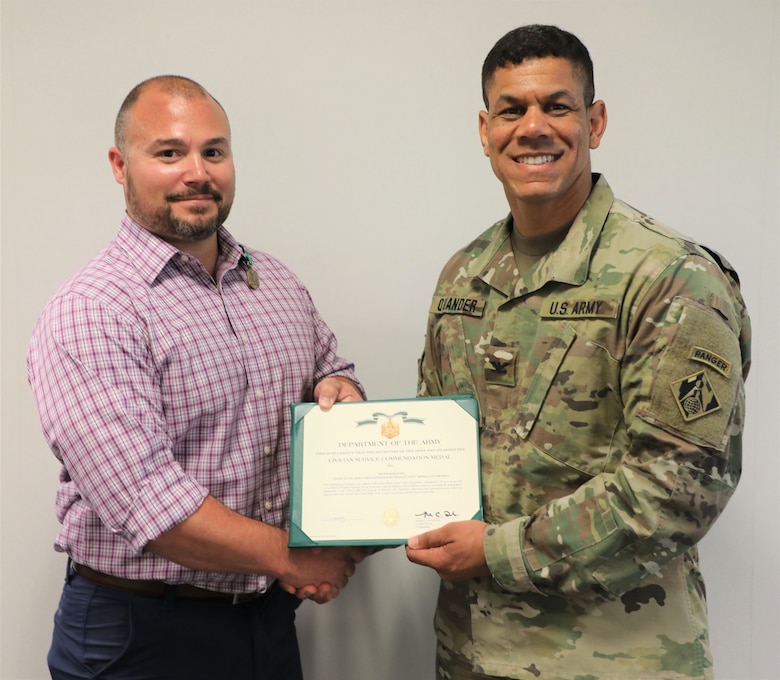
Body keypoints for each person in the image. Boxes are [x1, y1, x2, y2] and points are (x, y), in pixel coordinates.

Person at [405, 24, 750, 680]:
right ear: (485, 131)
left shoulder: (669, 277)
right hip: (471, 653)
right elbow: (431, 455)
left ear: (594, 122)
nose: (532, 127)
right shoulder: (463, 278)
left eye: (556, 106)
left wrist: (495, 551)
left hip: (617, 660)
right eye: (511, 110)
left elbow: (674, 492)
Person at [27, 75, 365, 680]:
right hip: (139, 635)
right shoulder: (92, 309)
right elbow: (151, 502)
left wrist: (339, 393)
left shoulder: (277, 283)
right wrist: (296, 558)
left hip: (265, 620)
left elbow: (329, 369)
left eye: (213, 151)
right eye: (169, 152)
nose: (197, 172)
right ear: (119, 164)